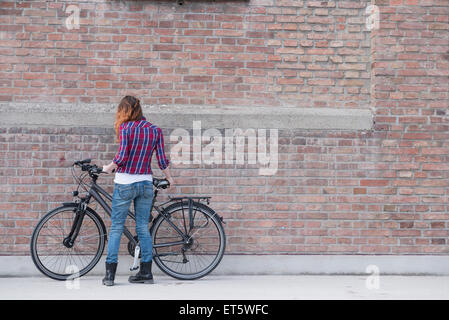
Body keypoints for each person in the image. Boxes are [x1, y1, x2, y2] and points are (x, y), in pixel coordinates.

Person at [101, 95, 174, 286]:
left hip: (125, 182)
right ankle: (146, 273)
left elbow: (123, 155)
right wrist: (170, 178)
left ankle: (110, 275)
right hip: (145, 183)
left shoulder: (126, 128)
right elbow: (161, 160)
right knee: (142, 227)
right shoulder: (155, 130)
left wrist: (109, 167)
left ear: (125, 111)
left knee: (117, 226)